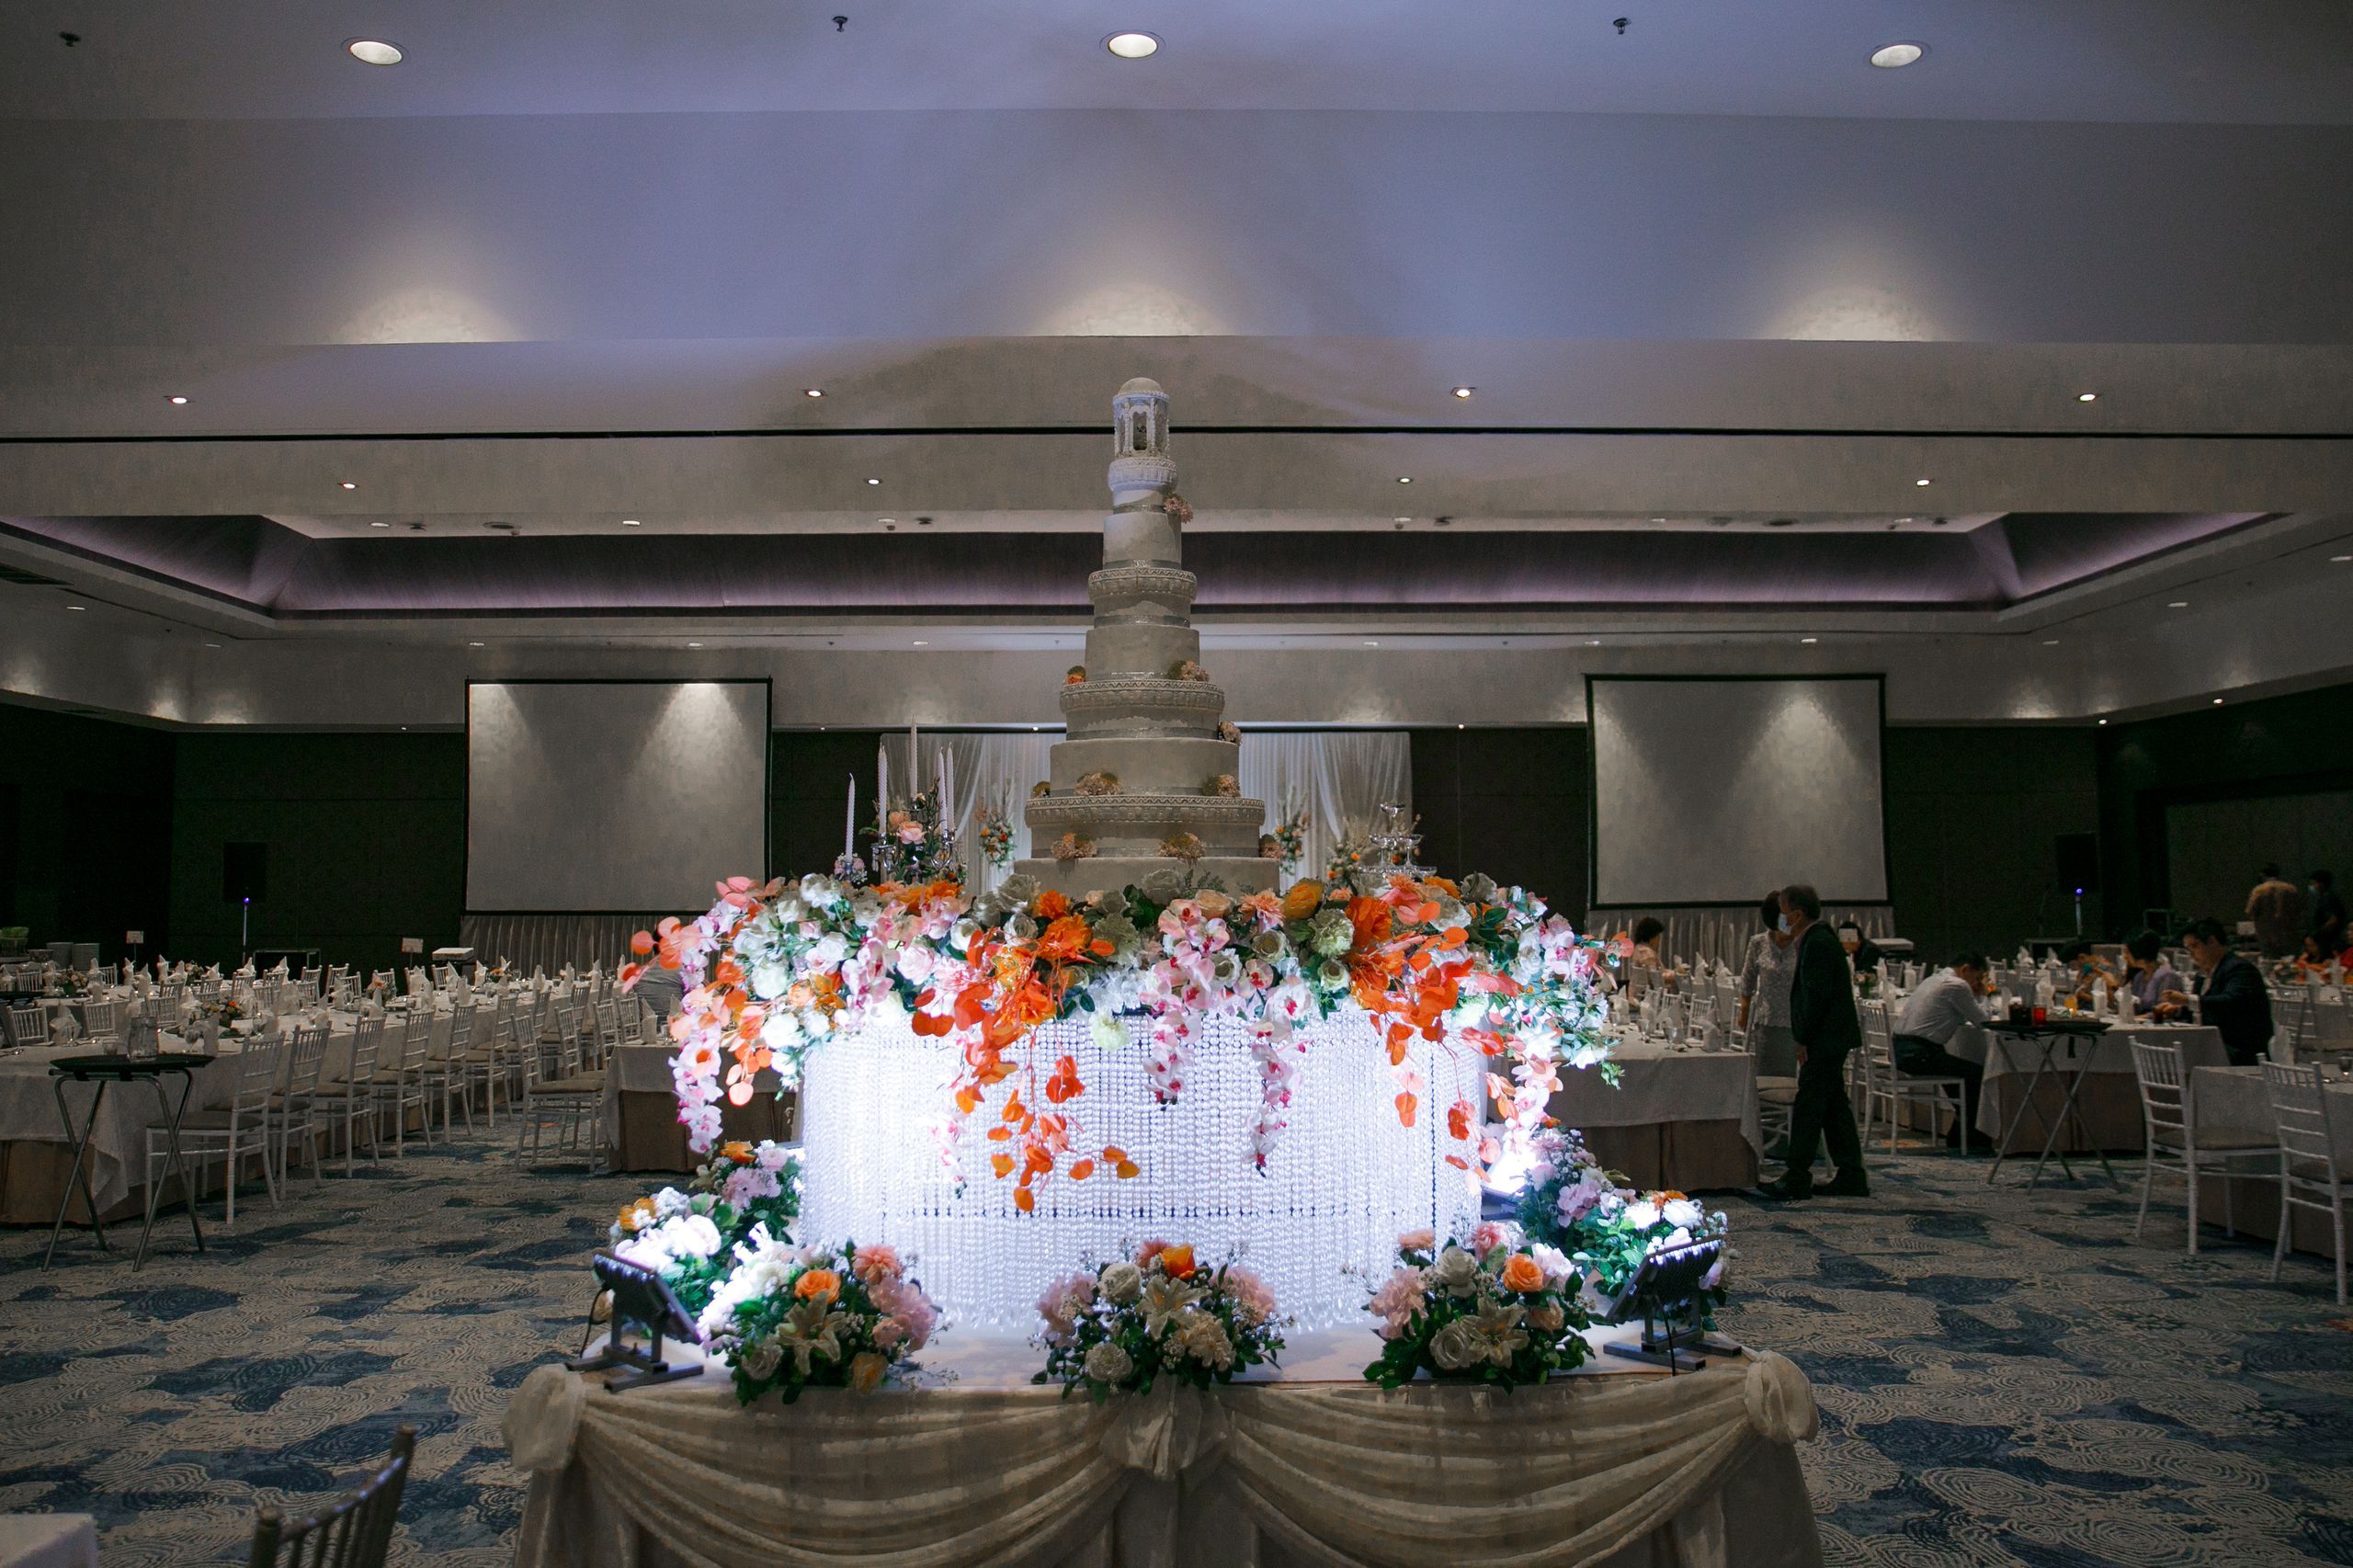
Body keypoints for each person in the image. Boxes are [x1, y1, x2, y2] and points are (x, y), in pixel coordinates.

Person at [1756, 883, 1869, 1201]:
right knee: (1834, 1107)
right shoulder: (1817, 939)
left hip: (1824, 1037)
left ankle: (1796, 1175)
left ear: (1797, 914)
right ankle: (1851, 1174)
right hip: (1831, 1036)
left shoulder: (1817, 942)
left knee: (1809, 1105)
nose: (1780, 919)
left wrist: (1803, 1037)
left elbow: (1815, 997)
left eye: (1783, 913)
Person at [1892, 954, 1995, 1152]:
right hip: (1918, 1053)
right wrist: (1983, 994)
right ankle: (1972, 1139)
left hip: (1901, 1049)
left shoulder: (1932, 979)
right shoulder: (1957, 985)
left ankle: (1960, 1134)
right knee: (1977, 1075)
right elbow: (1983, 1021)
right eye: (1978, 977)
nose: (1977, 983)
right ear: (1966, 969)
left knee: (1961, 1074)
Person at [2159, 916, 2274, 1067]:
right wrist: (2178, 1009)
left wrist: (2187, 1000)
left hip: (2240, 1050)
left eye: (2194, 947)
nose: (2191, 954)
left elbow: (2231, 1002)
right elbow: (2203, 1009)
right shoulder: (2203, 974)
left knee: (2177, 1059)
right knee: (2168, 1056)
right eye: (2188, 949)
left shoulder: (2239, 968)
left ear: (2212, 941)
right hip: (2210, 1045)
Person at [1736, 891, 1799, 1077]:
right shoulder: (1758, 943)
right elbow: (1747, 980)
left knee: (1791, 1080)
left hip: (1796, 1022)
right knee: (1765, 1077)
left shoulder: (1802, 942)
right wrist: (1744, 1011)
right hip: (1767, 1020)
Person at [2245, 864, 2305, 960]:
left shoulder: (2259, 890)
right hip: (2288, 933)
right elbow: (2300, 910)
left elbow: (2251, 911)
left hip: (2267, 934)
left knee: (2269, 962)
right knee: (2290, 961)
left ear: (2263, 875)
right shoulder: (2291, 889)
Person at [2117, 930, 2181, 1012]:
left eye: (2127, 952)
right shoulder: (2139, 976)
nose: (2124, 956)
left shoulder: (2168, 976)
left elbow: (2164, 1011)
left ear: (2139, 952)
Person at [2310, 869, 2347, 954]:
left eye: (2314, 883)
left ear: (2321, 884)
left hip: (2329, 939)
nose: (2313, 887)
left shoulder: (2328, 898)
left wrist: (2320, 931)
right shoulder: (2327, 897)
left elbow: (2334, 918)